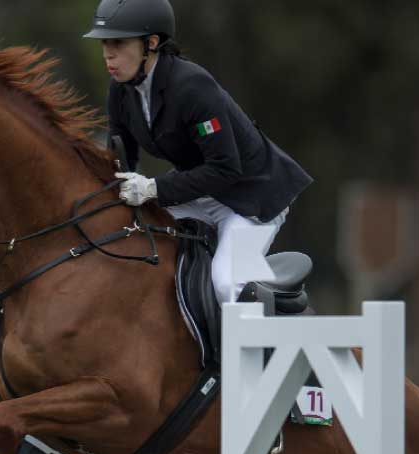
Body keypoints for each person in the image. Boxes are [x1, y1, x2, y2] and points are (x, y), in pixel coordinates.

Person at [83, 0, 313, 304]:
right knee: (130, 237)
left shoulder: (192, 87)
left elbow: (226, 168)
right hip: (200, 191)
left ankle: (257, 348)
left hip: (251, 197)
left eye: (118, 43)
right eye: (104, 44)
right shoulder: (121, 90)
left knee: (225, 282)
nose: (107, 54)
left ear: (151, 43)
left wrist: (153, 187)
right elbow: (122, 157)